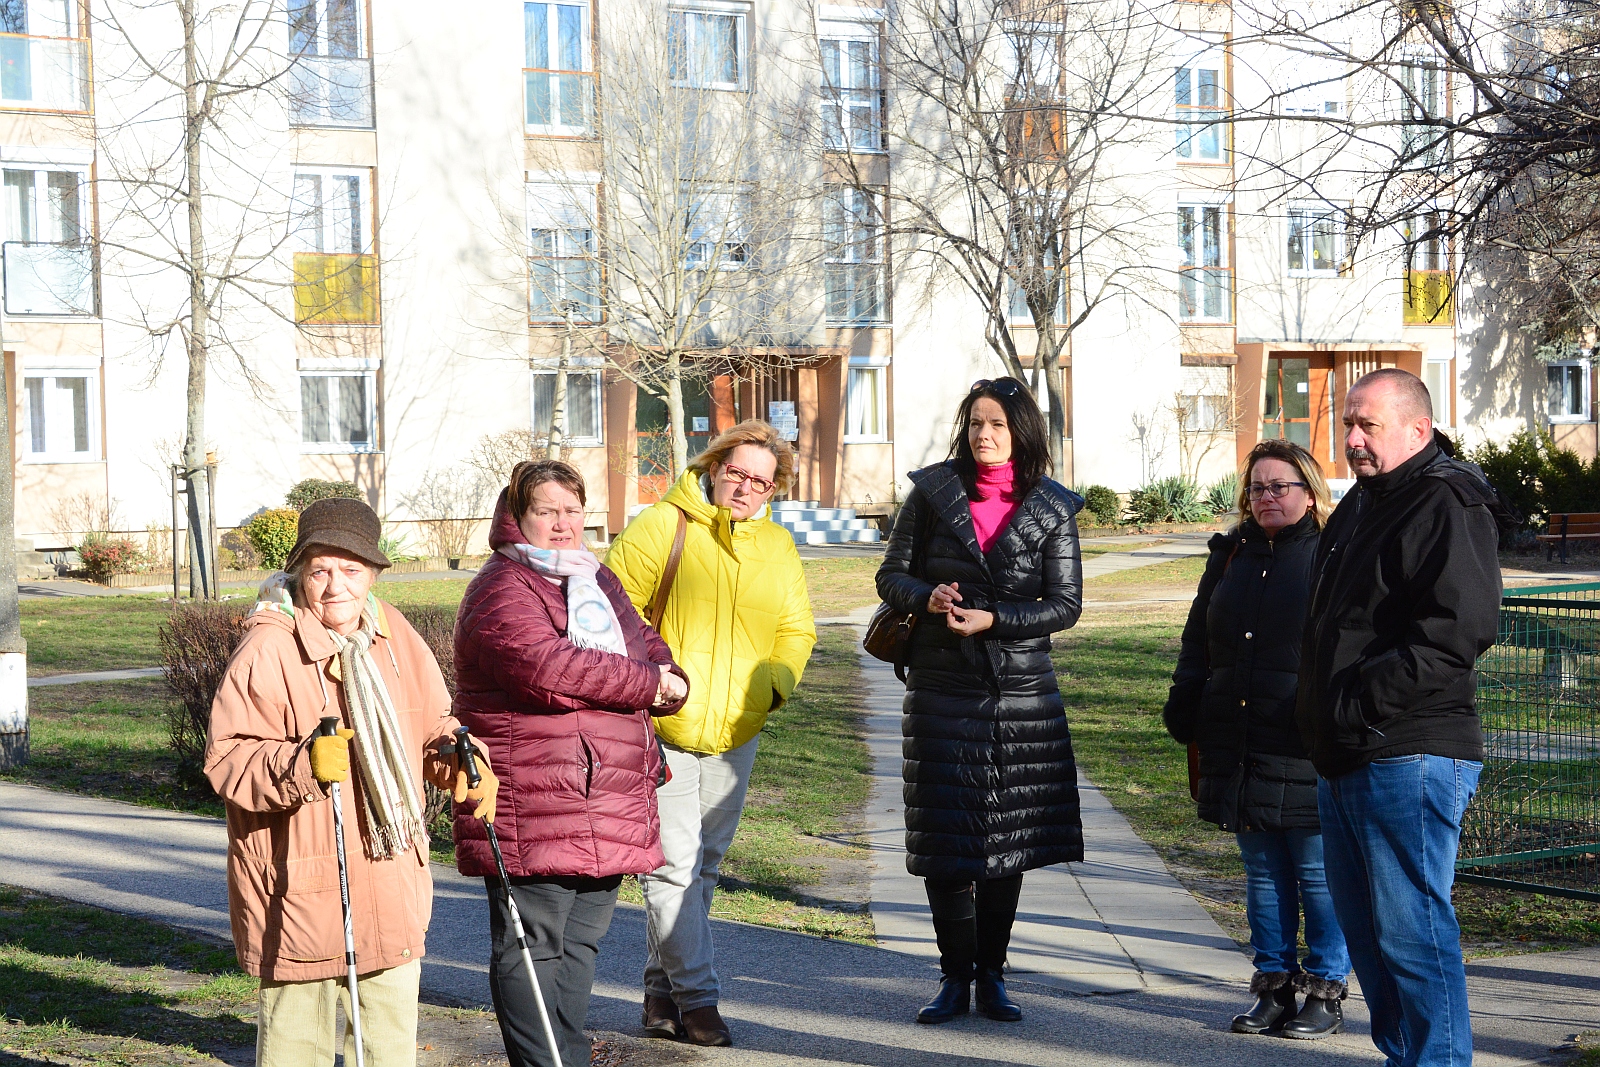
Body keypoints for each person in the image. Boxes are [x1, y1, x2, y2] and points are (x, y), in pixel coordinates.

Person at [205, 497, 497, 1067]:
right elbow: (228, 760)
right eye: (320, 570)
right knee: (295, 1053)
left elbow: (432, 726)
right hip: (301, 894)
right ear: (299, 574)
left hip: (390, 885)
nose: (336, 585)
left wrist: (465, 759)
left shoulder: (394, 635)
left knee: (388, 1052)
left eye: (351, 569)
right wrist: (302, 765)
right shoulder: (269, 647)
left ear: (374, 574)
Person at [453, 459, 690, 1067]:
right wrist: (648, 683)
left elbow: (643, 642)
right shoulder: (502, 587)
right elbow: (548, 669)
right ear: (517, 516)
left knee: (582, 942)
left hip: (606, 792)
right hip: (535, 795)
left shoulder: (593, 575)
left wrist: (671, 676)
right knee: (532, 944)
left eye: (572, 510)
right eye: (546, 511)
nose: (562, 524)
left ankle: (568, 1056)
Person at [1298, 368, 1504, 1067]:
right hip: (1346, 753)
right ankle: (1406, 1057)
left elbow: (1457, 631)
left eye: (1368, 425)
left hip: (1410, 750)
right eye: (1348, 424)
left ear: (1418, 429)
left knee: (1412, 934)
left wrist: (1358, 704)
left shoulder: (1447, 500)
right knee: (1369, 938)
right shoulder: (1363, 502)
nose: (1353, 438)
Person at [875, 377, 1084, 1026]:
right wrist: (926, 597)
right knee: (946, 841)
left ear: (1021, 432)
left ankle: (992, 974)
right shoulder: (933, 493)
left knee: (1006, 844)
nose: (983, 435)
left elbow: (1065, 604)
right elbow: (891, 575)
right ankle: (953, 976)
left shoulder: (1052, 507)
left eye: (996, 424)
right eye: (974, 423)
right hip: (941, 689)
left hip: (1020, 696)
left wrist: (995, 620)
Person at [606, 420, 817, 1048]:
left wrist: (770, 688)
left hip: (736, 732)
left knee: (705, 868)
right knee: (672, 867)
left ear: (774, 489)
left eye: (761, 481)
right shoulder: (661, 526)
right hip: (664, 724)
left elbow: (796, 629)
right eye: (737, 472)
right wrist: (651, 678)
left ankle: (659, 993)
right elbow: (610, 611)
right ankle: (699, 1000)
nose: (745, 487)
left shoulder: (777, 546)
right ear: (714, 467)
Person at [1163, 440, 1350, 1037]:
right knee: (1263, 874)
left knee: (1317, 873)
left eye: (1280, 486)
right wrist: (1186, 700)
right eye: (1257, 487)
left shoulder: (1331, 555)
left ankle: (1325, 990)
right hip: (1237, 736)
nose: (1267, 496)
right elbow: (1198, 638)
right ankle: (1273, 988)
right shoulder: (1230, 556)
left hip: (1305, 741)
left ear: (1309, 493)